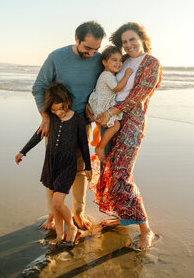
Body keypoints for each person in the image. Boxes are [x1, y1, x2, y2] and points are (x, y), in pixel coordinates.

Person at [90, 22, 162, 250]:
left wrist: (110, 111)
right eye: (124, 42)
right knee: (109, 168)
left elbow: (140, 94)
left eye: (132, 39)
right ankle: (124, 217)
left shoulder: (151, 63)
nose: (128, 45)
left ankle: (145, 229)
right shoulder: (123, 61)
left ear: (142, 38)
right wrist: (93, 110)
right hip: (109, 121)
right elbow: (106, 85)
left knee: (122, 172)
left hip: (132, 122)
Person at [32, 21, 105, 230]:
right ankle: (53, 214)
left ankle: (79, 213)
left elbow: (104, 86)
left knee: (80, 171)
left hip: (83, 122)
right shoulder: (57, 57)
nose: (92, 53)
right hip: (56, 122)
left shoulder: (99, 59)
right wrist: (45, 116)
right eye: (87, 48)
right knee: (55, 169)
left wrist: (93, 105)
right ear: (77, 40)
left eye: (96, 49)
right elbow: (39, 87)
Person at [15, 83, 92, 245]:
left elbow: (84, 145)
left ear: (68, 102)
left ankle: (71, 227)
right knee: (56, 206)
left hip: (67, 166)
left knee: (58, 202)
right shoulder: (51, 118)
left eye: (61, 109)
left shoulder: (77, 119)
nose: (58, 113)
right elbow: (38, 135)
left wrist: (88, 166)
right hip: (50, 165)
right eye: (54, 110)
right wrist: (23, 151)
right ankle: (59, 235)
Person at [88, 45, 133, 162]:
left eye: (120, 60)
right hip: (100, 108)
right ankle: (101, 147)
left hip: (103, 105)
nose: (118, 63)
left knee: (115, 125)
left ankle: (101, 146)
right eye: (114, 60)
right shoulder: (107, 75)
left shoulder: (109, 74)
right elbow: (117, 88)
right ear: (104, 62)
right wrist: (127, 75)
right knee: (116, 125)